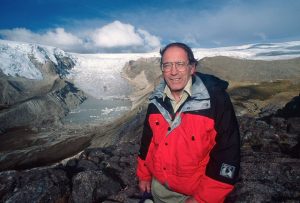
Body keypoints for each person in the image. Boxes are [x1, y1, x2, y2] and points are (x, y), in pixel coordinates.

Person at [136, 42, 240, 203]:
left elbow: (227, 153)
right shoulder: (156, 100)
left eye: (180, 64)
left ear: (192, 68)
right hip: (159, 191)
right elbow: (148, 141)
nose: (173, 72)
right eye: (167, 65)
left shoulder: (215, 101)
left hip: (195, 195)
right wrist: (144, 175)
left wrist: (203, 199)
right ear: (162, 69)